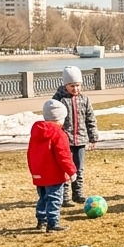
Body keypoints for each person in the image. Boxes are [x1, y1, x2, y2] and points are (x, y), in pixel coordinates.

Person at [28, 99, 77, 233]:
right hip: (54, 173)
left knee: (43, 197)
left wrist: (34, 171)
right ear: (60, 118)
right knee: (55, 198)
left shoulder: (36, 133)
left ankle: (41, 220)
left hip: (39, 172)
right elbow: (64, 155)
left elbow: (31, 154)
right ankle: (53, 223)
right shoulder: (59, 134)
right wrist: (71, 171)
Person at [52, 66, 98, 205]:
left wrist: (93, 137)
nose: (76, 89)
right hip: (65, 141)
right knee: (65, 168)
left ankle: (77, 193)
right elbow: (53, 119)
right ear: (65, 85)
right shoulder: (59, 100)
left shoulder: (84, 99)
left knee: (79, 169)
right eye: (72, 86)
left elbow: (90, 118)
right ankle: (64, 196)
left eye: (78, 85)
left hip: (81, 140)